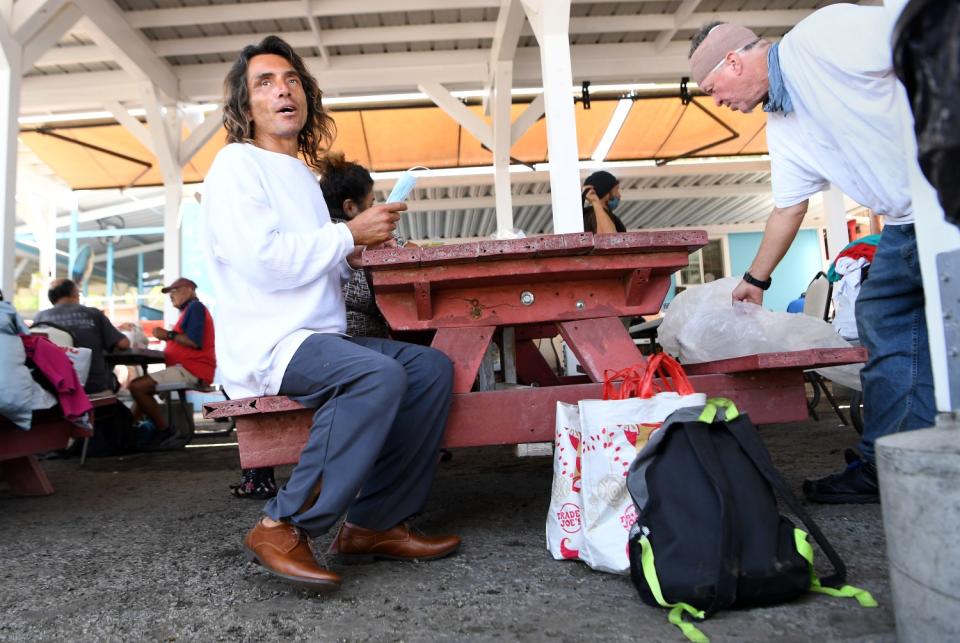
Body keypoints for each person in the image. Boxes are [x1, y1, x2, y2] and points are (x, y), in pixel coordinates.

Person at [202, 35, 459, 592]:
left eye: (291, 79)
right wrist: (346, 234)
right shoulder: (235, 165)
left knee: (431, 369)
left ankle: (374, 522)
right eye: (264, 83)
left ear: (307, 96)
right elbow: (265, 263)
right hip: (273, 341)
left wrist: (362, 250)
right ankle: (284, 524)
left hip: (319, 337)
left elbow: (321, 265)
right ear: (246, 107)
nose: (282, 89)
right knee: (377, 373)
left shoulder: (300, 175)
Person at [688, 5, 935, 504]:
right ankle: (889, 463)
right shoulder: (783, 126)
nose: (720, 103)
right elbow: (787, 209)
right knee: (883, 319)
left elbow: (926, 32)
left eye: (713, 90)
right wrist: (755, 282)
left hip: (945, 204)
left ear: (733, 62)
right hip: (906, 228)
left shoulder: (823, 36)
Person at [128, 277, 216, 447]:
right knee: (142, 392)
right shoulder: (188, 311)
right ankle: (125, 431)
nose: (170, 295)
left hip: (191, 370)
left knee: (136, 387)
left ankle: (165, 430)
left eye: (174, 291)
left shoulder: (195, 307)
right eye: (169, 292)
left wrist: (167, 335)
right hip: (186, 369)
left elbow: (194, 341)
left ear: (189, 290)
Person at [33, 278, 130, 394]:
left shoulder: (40, 318)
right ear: (74, 293)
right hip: (93, 387)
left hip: (54, 388)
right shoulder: (93, 314)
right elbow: (123, 344)